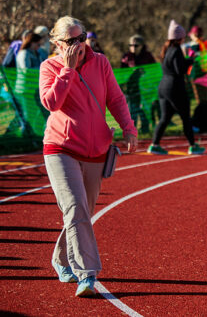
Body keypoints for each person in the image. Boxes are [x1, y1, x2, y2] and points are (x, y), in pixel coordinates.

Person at [39, 16, 137, 297]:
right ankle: (87, 274)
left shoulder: (101, 62)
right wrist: (67, 71)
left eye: (81, 38)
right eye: (71, 41)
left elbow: (115, 99)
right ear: (58, 44)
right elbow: (51, 103)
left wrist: (128, 129)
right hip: (60, 149)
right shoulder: (49, 67)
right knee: (75, 209)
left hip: (96, 151)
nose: (79, 45)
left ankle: (60, 259)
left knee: (82, 212)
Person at [147, 20, 205, 155]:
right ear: (180, 37)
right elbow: (180, 70)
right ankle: (193, 145)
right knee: (185, 117)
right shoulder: (176, 50)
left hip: (163, 87)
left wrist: (187, 60)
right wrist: (191, 60)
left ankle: (154, 144)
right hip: (175, 88)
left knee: (165, 118)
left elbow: (175, 66)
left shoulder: (167, 50)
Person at [16, 33, 46, 135]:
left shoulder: (36, 53)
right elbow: (26, 70)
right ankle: (26, 137)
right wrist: (42, 69)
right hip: (24, 90)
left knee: (38, 112)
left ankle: (34, 135)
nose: (39, 47)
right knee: (27, 115)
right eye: (37, 44)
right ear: (31, 42)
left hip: (35, 89)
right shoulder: (24, 53)